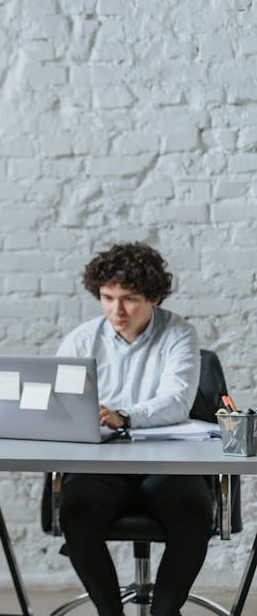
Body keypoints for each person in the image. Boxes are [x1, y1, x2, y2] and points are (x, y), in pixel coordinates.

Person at [56, 242, 212, 616]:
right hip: (103, 465)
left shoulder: (178, 334)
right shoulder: (81, 339)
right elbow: (58, 403)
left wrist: (122, 416)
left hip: (166, 465)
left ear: (154, 297)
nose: (117, 310)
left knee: (193, 512)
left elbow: (176, 400)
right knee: (75, 512)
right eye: (108, 298)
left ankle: (164, 613)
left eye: (129, 299)